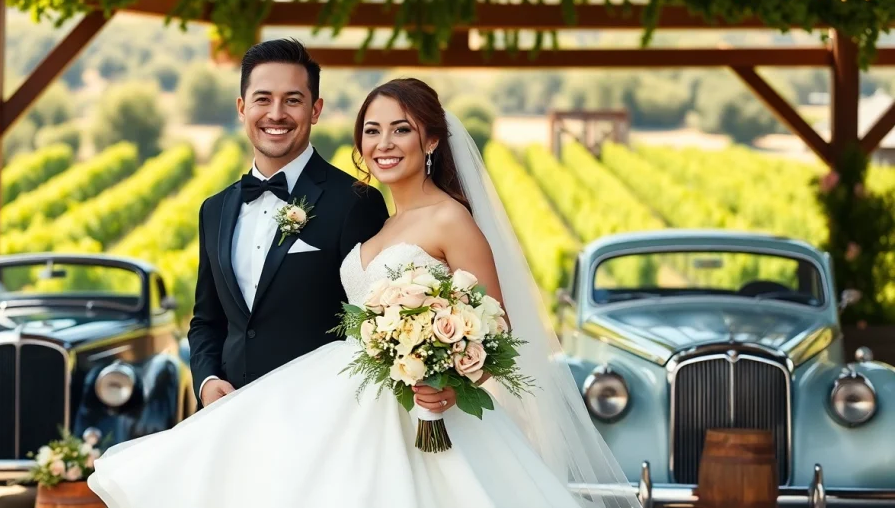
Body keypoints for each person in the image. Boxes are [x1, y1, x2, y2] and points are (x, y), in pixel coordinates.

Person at [88, 77, 642, 508]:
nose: (383, 143)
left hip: (426, 416)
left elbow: (497, 332)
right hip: (354, 404)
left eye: (400, 129)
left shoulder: (452, 222)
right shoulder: (376, 226)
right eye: (372, 131)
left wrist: (449, 379)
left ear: (430, 139)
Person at [186, 38, 389, 408]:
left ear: (315, 109)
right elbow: (206, 320)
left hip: (322, 419)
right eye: (263, 99)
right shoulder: (213, 210)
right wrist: (207, 380)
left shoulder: (356, 203)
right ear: (242, 107)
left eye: (292, 100)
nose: (276, 114)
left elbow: (375, 326)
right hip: (229, 419)